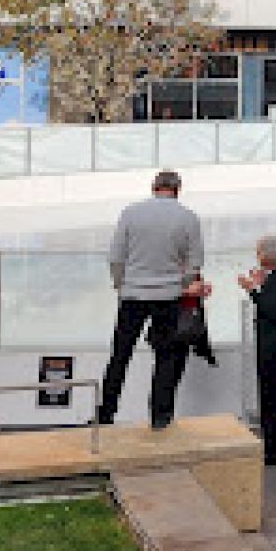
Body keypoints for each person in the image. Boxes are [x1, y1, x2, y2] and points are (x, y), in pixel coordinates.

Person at [100, 169, 211, 431]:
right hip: (169, 296)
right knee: (166, 356)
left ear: (153, 186)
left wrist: (121, 284)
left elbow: (116, 256)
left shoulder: (130, 213)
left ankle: (105, 413)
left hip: (133, 295)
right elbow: (195, 261)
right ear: (177, 189)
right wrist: (183, 286)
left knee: (120, 355)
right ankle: (160, 416)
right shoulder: (188, 217)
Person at [239, 234, 276, 465]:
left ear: (267, 255)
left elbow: (272, 309)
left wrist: (253, 289)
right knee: (275, 395)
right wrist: (260, 285)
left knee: (274, 396)